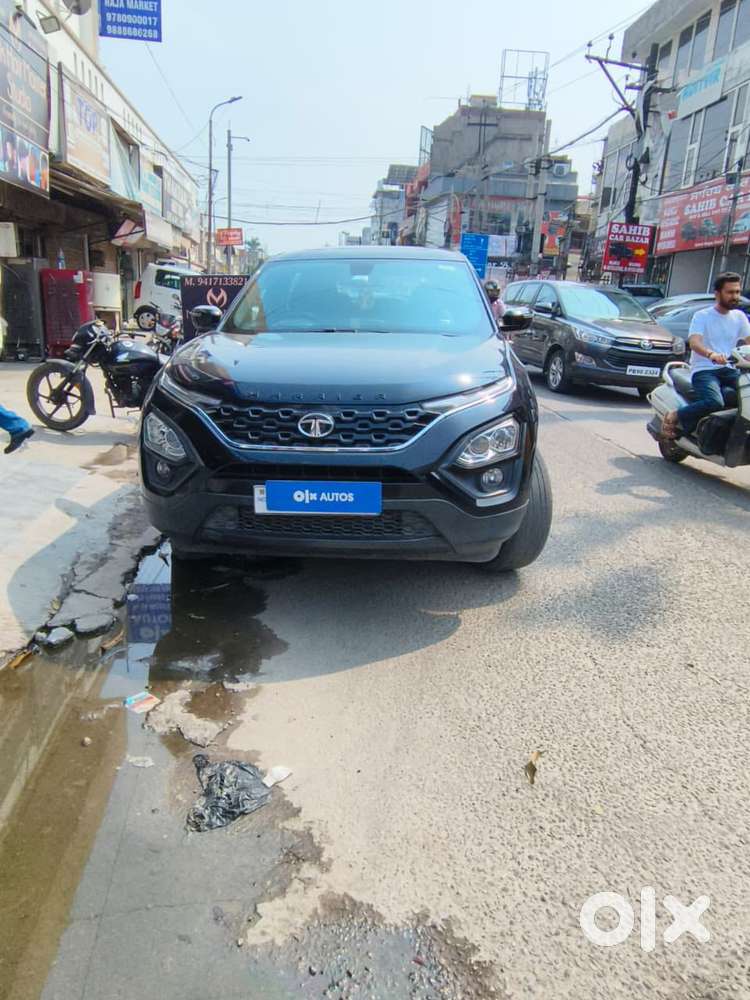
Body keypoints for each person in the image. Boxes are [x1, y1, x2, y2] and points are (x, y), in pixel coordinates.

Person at [661, 272, 750, 440]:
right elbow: (695, 342)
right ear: (717, 294)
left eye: (737, 292)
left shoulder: (739, 317)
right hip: (705, 370)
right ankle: (675, 415)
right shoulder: (702, 316)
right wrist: (712, 354)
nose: (735, 296)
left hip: (730, 369)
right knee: (715, 402)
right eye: (730, 292)